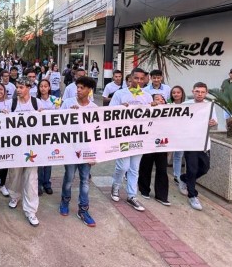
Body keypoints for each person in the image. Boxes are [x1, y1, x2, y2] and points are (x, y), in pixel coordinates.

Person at [109, 68, 154, 212]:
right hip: (123, 136)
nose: (139, 81)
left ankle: (131, 195)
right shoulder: (120, 94)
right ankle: (115, 185)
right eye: (136, 78)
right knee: (123, 166)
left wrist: (154, 107)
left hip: (139, 137)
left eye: (142, 79)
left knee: (134, 168)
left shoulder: (147, 96)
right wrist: (119, 109)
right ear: (130, 78)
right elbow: (109, 113)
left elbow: (152, 116)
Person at [59, 76, 98, 226]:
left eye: (82, 88)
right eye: (78, 87)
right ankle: (64, 202)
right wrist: (69, 115)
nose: (79, 90)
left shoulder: (93, 108)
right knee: (69, 178)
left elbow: (97, 132)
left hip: (87, 150)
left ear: (89, 90)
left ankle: (83, 210)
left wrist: (95, 153)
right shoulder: (68, 103)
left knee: (85, 181)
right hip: (70, 149)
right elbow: (58, 126)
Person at [178, 82, 218, 211]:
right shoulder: (186, 105)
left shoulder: (209, 106)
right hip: (190, 142)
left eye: (202, 92)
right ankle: (192, 195)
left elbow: (214, 123)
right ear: (193, 91)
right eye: (197, 91)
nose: (199, 94)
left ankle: (184, 179)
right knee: (192, 169)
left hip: (204, 142)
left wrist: (212, 123)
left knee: (205, 168)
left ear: (206, 93)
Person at [7, 77, 41, 227]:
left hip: (32, 147)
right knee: (14, 175)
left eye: (21, 87)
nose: (18, 90)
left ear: (28, 87)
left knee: (31, 179)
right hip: (15, 147)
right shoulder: (11, 103)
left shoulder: (36, 102)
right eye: (17, 87)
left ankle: (31, 211)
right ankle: (14, 196)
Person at [138, 92, 171, 206]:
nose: (160, 100)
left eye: (162, 99)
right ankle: (144, 189)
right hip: (148, 143)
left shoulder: (170, 112)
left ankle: (161, 196)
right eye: (157, 98)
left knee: (162, 169)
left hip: (162, 144)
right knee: (146, 167)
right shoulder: (147, 111)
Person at [36, 79, 56, 195]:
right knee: (39, 161)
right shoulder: (35, 101)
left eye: (45, 86)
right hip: (38, 135)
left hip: (51, 134)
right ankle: (38, 184)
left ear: (49, 87)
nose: (43, 88)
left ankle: (47, 183)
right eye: (41, 86)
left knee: (49, 160)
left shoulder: (55, 100)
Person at [169, 85, 187, 183]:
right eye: (174, 92)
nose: (176, 94)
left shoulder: (186, 104)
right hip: (168, 133)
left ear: (182, 93)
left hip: (181, 133)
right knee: (167, 155)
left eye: (178, 92)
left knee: (178, 155)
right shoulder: (167, 103)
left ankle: (177, 175)